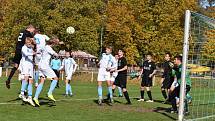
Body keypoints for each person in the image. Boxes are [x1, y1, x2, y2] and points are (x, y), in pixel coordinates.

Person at [5, 25, 35, 89]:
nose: (33, 31)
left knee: (16, 66)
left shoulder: (22, 31)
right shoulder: (28, 33)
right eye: (33, 30)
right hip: (22, 50)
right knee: (23, 69)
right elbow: (33, 42)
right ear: (30, 28)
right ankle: (23, 90)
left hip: (17, 49)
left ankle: (8, 79)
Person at [33, 37, 60, 106]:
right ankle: (49, 93)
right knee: (55, 78)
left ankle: (35, 97)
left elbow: (38, 51)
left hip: (40, 65)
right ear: (53, 43)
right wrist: (57, 55)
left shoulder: (44, 47)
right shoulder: (49, 48)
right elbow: (55, 55)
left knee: (42, 81)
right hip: (45, 66)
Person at [19, 37, 36, 106]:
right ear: (25, 42)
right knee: (26, 78)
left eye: (30, 43)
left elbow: (32, 56)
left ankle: (30, 97)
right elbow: (26, 54)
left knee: (31, 81)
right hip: (25, 64)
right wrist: (33, 53)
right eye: (28, 43)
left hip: (31, 65)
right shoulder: (23, 48)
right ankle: (22, 93)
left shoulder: (31, 48)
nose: (29, 44)